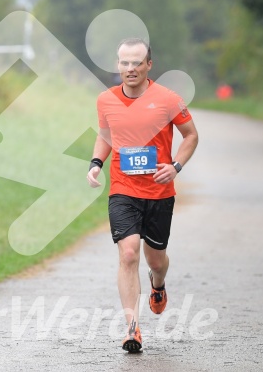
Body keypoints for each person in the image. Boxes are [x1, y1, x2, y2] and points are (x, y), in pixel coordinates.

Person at [87, 38, 198, 353]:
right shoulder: (105, 100)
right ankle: (132, 329)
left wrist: (176, 166)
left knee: (156, 260)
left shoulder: (168, 99)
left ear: (149, 65)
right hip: (123, 188)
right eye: (124, 62)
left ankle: (158, 284)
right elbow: (106, 135)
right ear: (117, 65)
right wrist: (96, 164)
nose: (130, 68)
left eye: (137, 62)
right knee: (129, 254)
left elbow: (191, 135)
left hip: (160, 191)